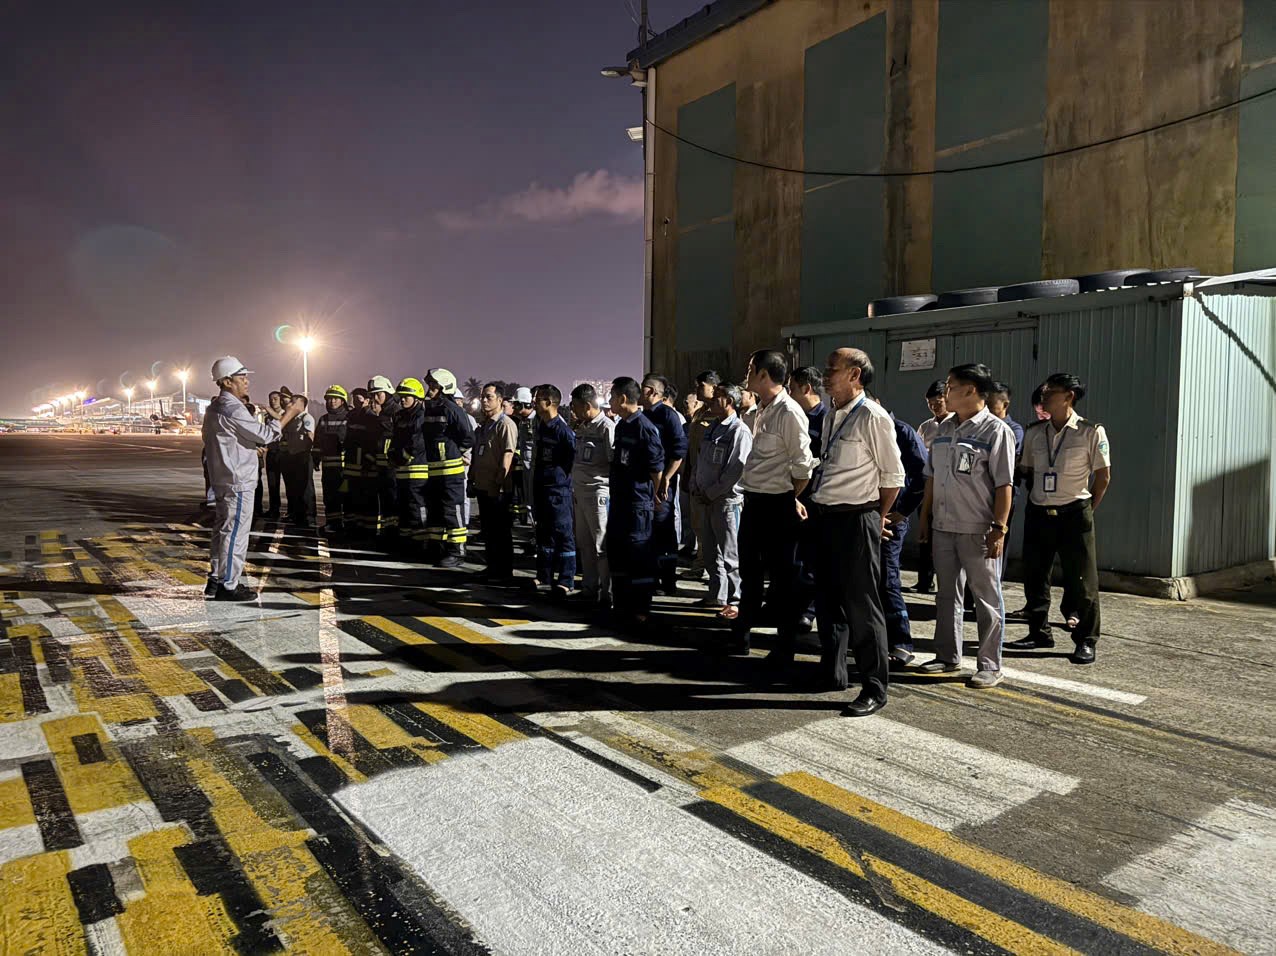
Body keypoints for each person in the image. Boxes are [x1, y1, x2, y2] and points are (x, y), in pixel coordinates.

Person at [808, 349, 904, 716]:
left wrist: (877, 516)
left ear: (855, 375)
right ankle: (832, 674)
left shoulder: (873, 417)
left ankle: (875, 687)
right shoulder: (835, 414)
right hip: (828, 517)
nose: (825, 377)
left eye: (832, 370)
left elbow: (893, 477)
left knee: (863, 606)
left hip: (857, 519)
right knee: (829, 602)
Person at [917, 363, 1016, 688]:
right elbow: (931, 478)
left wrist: (999, 529)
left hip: (978, 529)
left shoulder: (995, 431)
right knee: (946, 595)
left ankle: (990, 665)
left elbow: (1004, 486)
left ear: (971, 391)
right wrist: (925, 518)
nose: (945, 393)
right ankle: (947, 656)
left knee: (987, 598)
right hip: (944, 526)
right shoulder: (943, 429)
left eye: (951, 386)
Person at [1007, 373, 1112, 665]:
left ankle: (1086, 640)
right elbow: (1025, 471)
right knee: (1035, 575)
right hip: (1039, 512)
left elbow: (1103, 477)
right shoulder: (1034, 432)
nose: (1044, 397)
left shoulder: (1091, 432)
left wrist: (1088, 507)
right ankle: (1038, 632)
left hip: (1074, 512)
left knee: (1083, 580)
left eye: (1050, 392)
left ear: (1069, 396)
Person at [727, 350, 817, 660]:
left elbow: (804, 465)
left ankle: (785, 646)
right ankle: (742, 636)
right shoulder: (760, 410)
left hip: (777, 505)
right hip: (754, 502)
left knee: (784, 579)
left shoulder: (789, 412)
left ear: (765, 375)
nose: (747, 374)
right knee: (750, 573)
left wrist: (791, 498)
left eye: (751, 369)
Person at [202, 357, 305, 600]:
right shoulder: (233, 408)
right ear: (227, 381)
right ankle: (229, 585)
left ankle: (216, 579)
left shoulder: (214, 408)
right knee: (235, 532)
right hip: (238, 479)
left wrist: (248, 444)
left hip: (223, 478)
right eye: (241, 377)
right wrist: (290, 412)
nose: (247, 381)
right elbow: (266, 435)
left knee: (222, 530)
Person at [874, 396, 928, 668]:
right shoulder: (856, 428)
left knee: (888, 578)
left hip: (892, 517)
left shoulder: (901, 431)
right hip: (865, 515)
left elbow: (921, 474)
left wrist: (903, 511)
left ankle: (901, 642)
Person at [607, 377, 664, 626]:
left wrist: (657, 495)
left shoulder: (644, 427)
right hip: (620, 499)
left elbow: (656, 468)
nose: (609, 401)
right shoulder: (622, 426)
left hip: (637, 502)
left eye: (612, 396)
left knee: (638, 555)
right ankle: (621, 604)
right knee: (618, 552)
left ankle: (640, 609)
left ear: (622, 398)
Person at [691, 383, 752, 617]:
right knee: (710, 550)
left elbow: (736, 469)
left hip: (726, 501)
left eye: (716, 398)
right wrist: (697, 485)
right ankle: (717, 594)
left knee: (731, 553)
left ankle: (736, 600)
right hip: (705, 499)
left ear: (728, 400)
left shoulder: (739, 431)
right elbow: (701, 458)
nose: (712, 402)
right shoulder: (712, 427)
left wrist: (713, 492)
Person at [788, 365, 828, 631]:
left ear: (806, 388)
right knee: (796, 559)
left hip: (816, 500)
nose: (789, 394)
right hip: (794, 498)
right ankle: (795, 607)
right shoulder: (795, 418)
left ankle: (810, 611)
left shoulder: (828, 419)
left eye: (792, 388)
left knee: (815, 559)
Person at [422, 369, 475, 567]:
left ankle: (457, 551)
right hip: (433, 470)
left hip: (451, 471)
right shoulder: (428, 408)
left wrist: (454, 452)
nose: (430, 389)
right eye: (430, 385)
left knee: (453, 511)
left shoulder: (452, 408)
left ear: (443, 387)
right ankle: (437, 547)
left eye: (434, 385)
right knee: (435, 511)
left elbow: (469, 437)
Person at [641, 375, 688, 594]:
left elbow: (678, 452)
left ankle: (668, 580)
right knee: (649, 531)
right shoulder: (643, 416)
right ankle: (651, 577)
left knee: (664, 531)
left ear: (652, 392)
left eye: (643, 389)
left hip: (663, 484)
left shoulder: (669, 416)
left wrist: (667, 478)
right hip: (645, 483)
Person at [570, 383, 615, 605]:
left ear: (587, 405)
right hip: (580, 492)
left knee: (601, 547)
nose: (572, 411)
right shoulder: (582, 427)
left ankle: (607, 593)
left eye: (575, 406)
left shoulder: (606, 427)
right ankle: (590, 587)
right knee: (585, 545)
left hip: (598, 494)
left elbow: (613, 462)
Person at [531, 385, 577, 596]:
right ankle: (544, 576)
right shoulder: (541, 426)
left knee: (563, 534)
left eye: (538, 398)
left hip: (558, 491)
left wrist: (562, 481)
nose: (534, 401)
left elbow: (571, 461)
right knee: (544, 534)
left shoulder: (563, 431)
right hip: (542, 487)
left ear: (549, 403)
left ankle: (566, 580)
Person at [471, 383, 519, 584]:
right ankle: (492, 567)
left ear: (500, 400)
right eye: (483, 397)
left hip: (497, 488)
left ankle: (503, 572)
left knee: (500, 532)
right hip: (482, 486)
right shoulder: (484, 426)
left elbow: (508, 455)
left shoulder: (505, 424)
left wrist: (499, 482)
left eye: (489, 397)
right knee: (489, 531)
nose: (484, 400)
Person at [909, 379, 950, 593]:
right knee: (924, 535)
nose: (934, 405)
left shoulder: (957, 424)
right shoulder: (925, 427)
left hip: (949, 490)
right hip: (927, 488)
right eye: (930, 402)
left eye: (938, 400)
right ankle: (925, 580)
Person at [683, 370, 721, 577]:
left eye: (701, 386)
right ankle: (701, 564)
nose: (697, 389)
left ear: (713, 388)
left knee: (713, 529)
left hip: (713, 482)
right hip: (696, 477)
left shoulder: (720, 413)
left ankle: (711, 568)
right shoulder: (700, 413)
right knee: (698, 525)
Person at [389, 377, 430, 552]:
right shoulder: (400, 416)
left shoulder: (421, 415)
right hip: (402, 471)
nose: (403, 399)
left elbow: (417, 442)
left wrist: (403, 456)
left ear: (417, 397)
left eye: (407, 396)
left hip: (417, 471)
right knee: (403, 507)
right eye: (401, 396)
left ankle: (420, 543)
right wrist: (392, 454)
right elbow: (395, 438)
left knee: (416, 507)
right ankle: (405, 541)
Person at [342, 383, 380, 538]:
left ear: (366, 400)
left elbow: (372, 440)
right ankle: (352, 525)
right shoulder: (350, 416)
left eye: (359, 399)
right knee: (351, 495)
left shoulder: (371, 417)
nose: (356, 402)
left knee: (368, 496)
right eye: (354, 399)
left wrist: (370, 460)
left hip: (365, 461)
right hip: (351, 461)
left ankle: (369, 529)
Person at [369, 376, 402, 547]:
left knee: (393, 501)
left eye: (378, 394)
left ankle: (394, 535)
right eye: (373, 394)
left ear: (387, 392)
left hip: (392, 466)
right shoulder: (382, 412)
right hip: (382, 466)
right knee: (385, 501)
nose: (375, 398)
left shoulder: (396, 411)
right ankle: (387, 533)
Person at [314, 385, 349, 534]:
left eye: (335, 398)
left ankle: (346, 524)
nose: (332, 401)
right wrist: (315, 458)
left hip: (344, 466)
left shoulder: (349, 417)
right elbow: (317, 441)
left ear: (343, 401)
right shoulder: (323, 419)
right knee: (329, 496)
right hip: (328, 466)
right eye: (329, 399)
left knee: (345, 498)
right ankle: (332, 523)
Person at [279, 392, 316, 528]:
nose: (289, 404)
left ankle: (309, 516)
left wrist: (311, 455)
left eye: (292, 402)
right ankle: (295, 514)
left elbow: (310, 436)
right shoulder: (292, 420)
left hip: (303, 456)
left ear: (301, 404)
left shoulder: (306, 418)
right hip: (292, 456)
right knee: (293, 488)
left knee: (306, 487)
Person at [511, 386, 536, 528]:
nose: (514, 407)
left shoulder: (537, 420)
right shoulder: (523, 422)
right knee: (529, 503)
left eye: (516, 404)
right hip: (526, 468)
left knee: (536, 503)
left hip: (535, 469)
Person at [263, 391, 285, 518]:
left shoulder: (285, 414)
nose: (273, 401)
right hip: (272, 451)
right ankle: (274, 509)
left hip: (283, 451)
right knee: (272, 483)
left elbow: (283, 421)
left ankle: (293, 510)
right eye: (270, 399)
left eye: (275, 399)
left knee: (289, 483)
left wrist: (271, 412)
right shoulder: (268, 417)